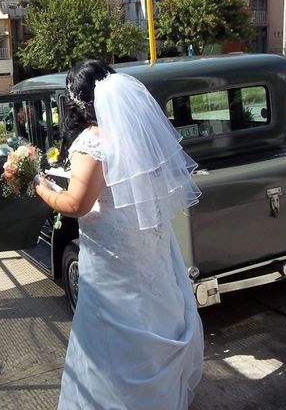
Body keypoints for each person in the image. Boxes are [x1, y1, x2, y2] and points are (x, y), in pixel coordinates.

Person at [34, 60, 204, 409]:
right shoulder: (136, 135)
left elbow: (78, 203)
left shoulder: (90, 143)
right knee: (151, 310)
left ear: (76, 99)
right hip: (144, 241)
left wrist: (41, 187)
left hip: (110, 250)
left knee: (109, 329)